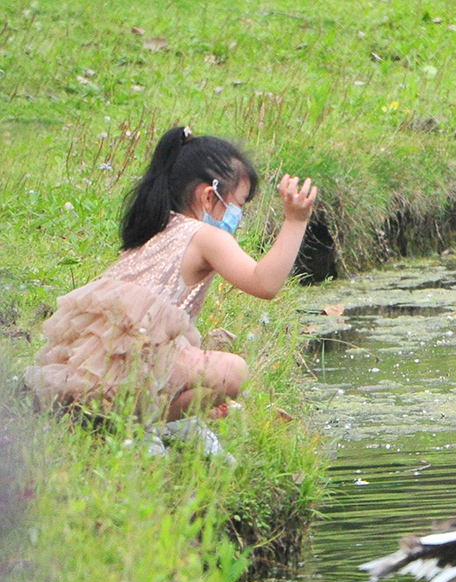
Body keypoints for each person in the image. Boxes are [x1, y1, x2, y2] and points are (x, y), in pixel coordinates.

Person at [24, 125, 317, 423]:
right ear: (208, 196)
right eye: (238, 206)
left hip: (91, 369)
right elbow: (265, 284)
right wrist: (296, 221)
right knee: (233, 372)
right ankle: (135, 423)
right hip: (130, 369)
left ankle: (121, 418)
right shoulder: (207, 236)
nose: (238, 219)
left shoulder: (159, 229)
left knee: (197, 365)